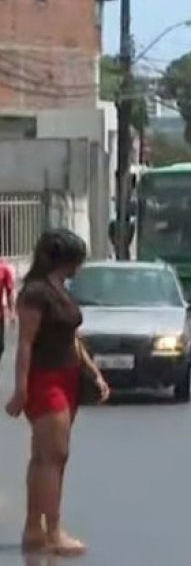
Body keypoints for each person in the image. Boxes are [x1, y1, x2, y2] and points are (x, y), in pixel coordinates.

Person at [5, 229, 109, 556]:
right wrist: (21, 390)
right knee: (53, 457)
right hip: (45, 380)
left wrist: (94, 374)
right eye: (78, 260)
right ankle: (53, 532)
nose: (80, 267)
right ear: (65, 259)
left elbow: (72, 340)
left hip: (67, 377)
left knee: (44, 458)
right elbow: (25, 344)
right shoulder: (36, 293)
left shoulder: (58, 290)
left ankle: (34, 529)